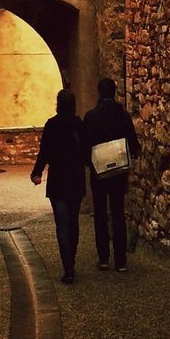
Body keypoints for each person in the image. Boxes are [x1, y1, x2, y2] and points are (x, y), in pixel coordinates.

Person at [30, 88, 88, 284]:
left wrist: (37, 172)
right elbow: (87, 153)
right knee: (73, 222)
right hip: (76, 179)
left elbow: (44, 151)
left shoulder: (52, 125)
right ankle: (71, 260)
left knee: (62, 223)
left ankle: (68, 268)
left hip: (58, 180)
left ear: (58, 103)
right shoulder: (79, 125)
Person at [84, 77, 139, 273]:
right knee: (117, 212)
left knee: (100, 213)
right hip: (118, 170)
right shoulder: (122, 114)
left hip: (99, 171)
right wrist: (133, 153)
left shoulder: (91, 116)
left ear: (99, 92)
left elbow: (85, 144)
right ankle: (121, 259)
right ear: (114, 92)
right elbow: (132, 140)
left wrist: (89, 163)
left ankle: (104, 258)